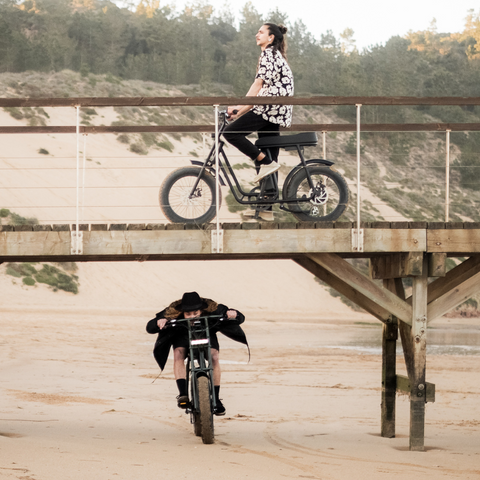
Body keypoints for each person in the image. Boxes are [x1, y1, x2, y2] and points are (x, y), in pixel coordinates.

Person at [223, 23, 294, 221]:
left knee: (231, 134)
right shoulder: (273, 54)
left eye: (261, 32)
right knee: (267, 149)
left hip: (270, 106)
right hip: (274, 106)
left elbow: (257, 85)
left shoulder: (268, 54)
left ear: (271, 38)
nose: (257, 34)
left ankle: (266, 163)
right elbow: (260, 92)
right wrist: (239, 110)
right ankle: (266, 208)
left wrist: (238, 108)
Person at [146, 291, 247, 416]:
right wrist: (159, 321)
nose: (192, 316)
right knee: (178, 354)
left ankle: (216, 399)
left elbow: (240, 318)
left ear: (201, 310)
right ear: (182, 311)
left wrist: (232, 313)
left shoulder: (213, 309)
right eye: (188, 314)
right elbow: (149, 327)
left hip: (206, 334)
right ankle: (183, 394)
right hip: (182, 336)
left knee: (214, 357)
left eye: (196, 313)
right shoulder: (172, 311)